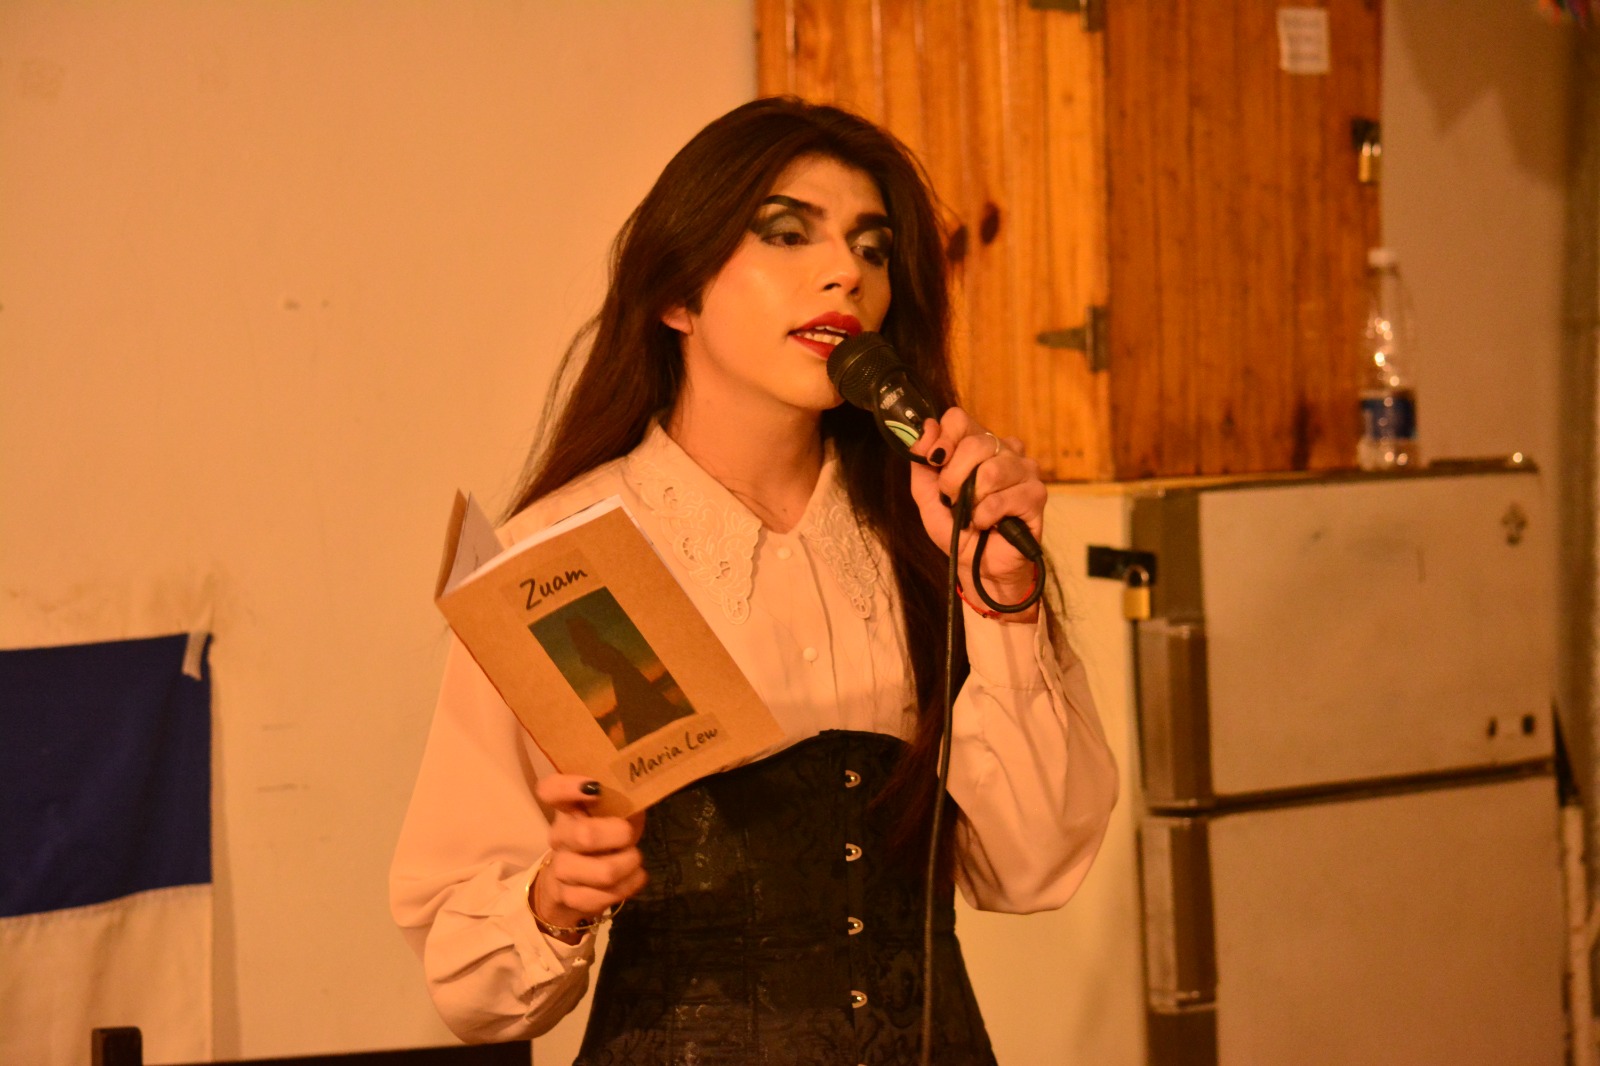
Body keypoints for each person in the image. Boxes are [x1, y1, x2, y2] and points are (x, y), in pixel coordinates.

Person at [390, 97, 1118, 1065]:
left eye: (872, 248)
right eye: (785, 234)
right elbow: (469, 982)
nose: (844, 274)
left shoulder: (927, 534)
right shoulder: (561, 558)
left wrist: (1003, 599)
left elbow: (1032, 868)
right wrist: (552, 898)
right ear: (676, 294)